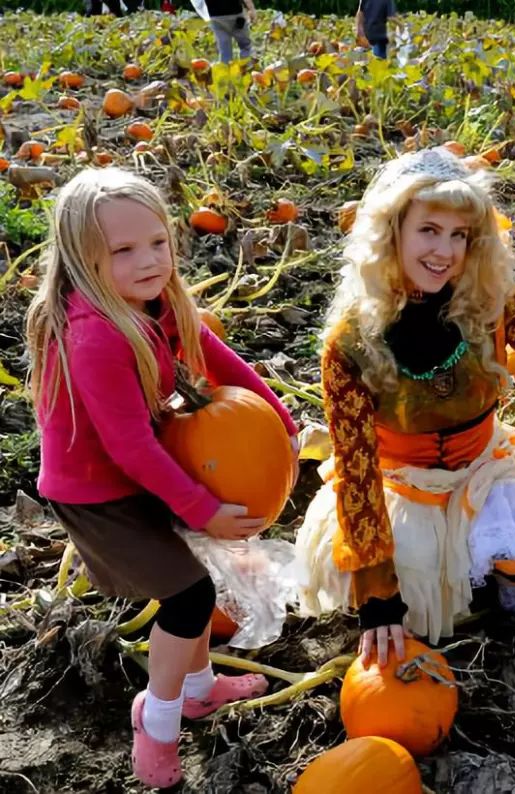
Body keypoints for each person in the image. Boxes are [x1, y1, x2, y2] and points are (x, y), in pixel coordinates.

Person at [294, 147, 515, 667]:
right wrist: (376, 588)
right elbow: (356, 464)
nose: (445, 251)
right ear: (393, 231)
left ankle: (512, 638)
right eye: (429, 230)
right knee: (413, 610)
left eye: (459, 235)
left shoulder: (491, 301)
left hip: (483, 468)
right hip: (404, 484)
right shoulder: (350, 342)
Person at [24, 167, 300, 789]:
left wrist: (280, 420)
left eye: (158, 242)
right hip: (97, 494)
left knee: (194, 581)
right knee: (188, 595)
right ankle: (158, 719)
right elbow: (130, 449)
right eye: (123, 251)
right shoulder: (96, 337)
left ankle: (199, 688)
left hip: (140, 470)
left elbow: (218, 357)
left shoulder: (155, 301)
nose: (149, 261)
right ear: (83, 261)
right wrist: (201, 509)